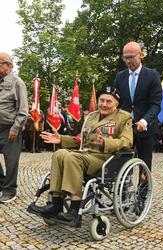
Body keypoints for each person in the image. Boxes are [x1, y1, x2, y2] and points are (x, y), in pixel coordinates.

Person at [30, 87, 133, 222]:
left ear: (116, 104)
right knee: (59, 154)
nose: (104, 104)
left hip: (105, 158)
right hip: (85, 154)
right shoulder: (92, 116)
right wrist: (61, 139)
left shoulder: (124, 117)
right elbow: (81, 139)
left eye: (109, 102)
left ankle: (74, 209)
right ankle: (55, 204)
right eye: (102, 100)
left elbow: (127, 141)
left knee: (72, 157)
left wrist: (106, 142)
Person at [114, 41, 162, 170]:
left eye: (131, 57)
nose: (128, 61)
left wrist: (145, 121)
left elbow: (156, 104)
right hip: (125, 127)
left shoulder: (153, 76)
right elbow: (117, 102)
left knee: (144, 163)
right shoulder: (120, 77)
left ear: (140, 55)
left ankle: (144, 189)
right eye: (125, 57)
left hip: (146, 127)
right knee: (122, 161)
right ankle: (123, 188)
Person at [0, 52, 28, 203]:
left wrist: (15, 129)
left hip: (10, 129)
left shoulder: (17, 82)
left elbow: (23, 110)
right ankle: (1, 183)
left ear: (8, 65)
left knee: (11, 161)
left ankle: (10, 190)